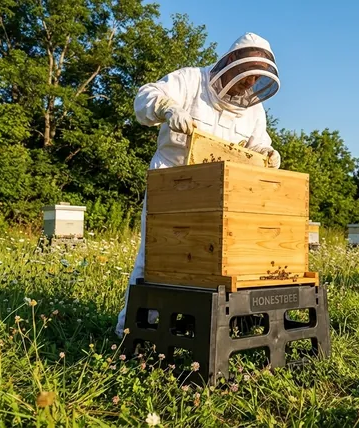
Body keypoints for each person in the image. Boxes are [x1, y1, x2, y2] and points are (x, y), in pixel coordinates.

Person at [114, 32, 282, 338]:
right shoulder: (190, 80)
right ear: (231, 61)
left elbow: (258, 146)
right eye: (247, 75)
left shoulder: (253, 110)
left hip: (218, 194)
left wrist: (268, 154)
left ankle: (191, 326)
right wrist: (166, 107)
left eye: (256, 79)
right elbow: (144, 98)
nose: (249, 84)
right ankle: (133, 329)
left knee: (207, 263)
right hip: (172, 182)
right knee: (154, 258)